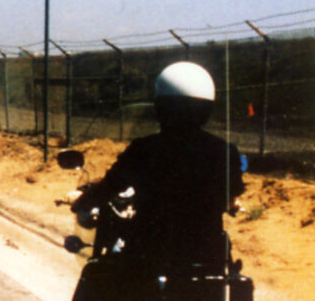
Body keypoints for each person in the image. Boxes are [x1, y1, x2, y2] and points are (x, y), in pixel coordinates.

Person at [70, 61, 246, 299]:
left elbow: (110, 187)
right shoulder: (226, 152)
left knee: (99, 275)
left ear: (161, 107)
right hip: (207, 260)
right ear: (206, 109)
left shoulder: (144, 149)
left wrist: (82, 202)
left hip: (150, 254)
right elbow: (230, 197)